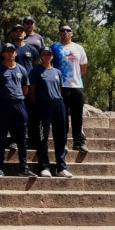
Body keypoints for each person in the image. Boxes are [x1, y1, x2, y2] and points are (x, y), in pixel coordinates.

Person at [0, 44, 36, 178]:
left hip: (19, 104)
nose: (10, 54)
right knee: (2, 138)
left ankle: (24, 168)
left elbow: (25, 88)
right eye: (7, 51)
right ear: (3, 54)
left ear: (15, 54)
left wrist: (18, 98)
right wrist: (1, 100)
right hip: (4, 105)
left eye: (12, 51)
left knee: (22, 139)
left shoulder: (21, 69)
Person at [29, 46, 72, 178]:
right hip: (43, 105)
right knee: (42, 136)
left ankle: (61, 166)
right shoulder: (35, 71)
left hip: (58, 104)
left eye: (49, 54)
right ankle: (44, 166)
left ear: (52, 56)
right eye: (44, 54)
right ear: (41, 56)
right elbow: (32, 91)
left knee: (60, 136)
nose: (47, 56)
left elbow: (59, 88)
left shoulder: (57, 72)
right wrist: (39, 103)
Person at [51, 24, 89, 153]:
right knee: (62, 117)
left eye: (68, 31)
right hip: (60, 87)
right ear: (59, 33)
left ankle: (79, 141)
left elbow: (83, 67)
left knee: (77, 116)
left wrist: (74, 77)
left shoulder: (78, 48)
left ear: (72, 34)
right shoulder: (54, 48)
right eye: (62, 30)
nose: (65, 33)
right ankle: (63, 142)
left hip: (76, 86)